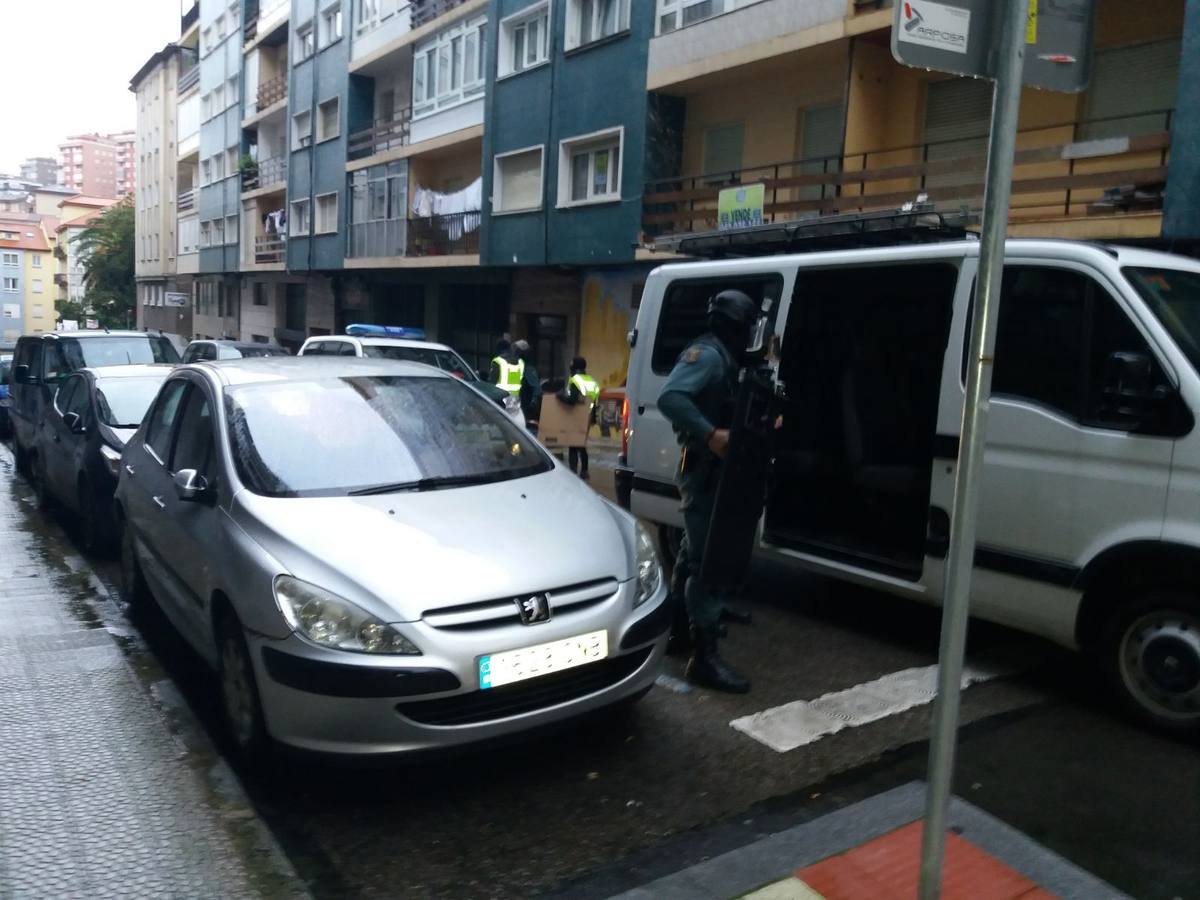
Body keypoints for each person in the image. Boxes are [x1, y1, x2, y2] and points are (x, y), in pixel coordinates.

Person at [657, 289, 760, 693]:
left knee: (690, 553)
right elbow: (671, 397)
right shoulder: (710, 356)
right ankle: (704, 657)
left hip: (711, 472)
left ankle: (678, 633)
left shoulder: (723, 355)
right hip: (704, 471)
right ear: (735, 326)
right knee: (707, 562)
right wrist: (711, 433)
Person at [557, 356, 600, 480]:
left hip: (576, 416)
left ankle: (573, 472)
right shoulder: (592, 381)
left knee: (573, 444)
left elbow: (572, 400)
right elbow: (595, 402)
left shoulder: (575, 380)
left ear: (574, 367)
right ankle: (585, 471)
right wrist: (593, 419)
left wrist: (560, 397)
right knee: (581, 444)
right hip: (588, 416)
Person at [512, 339, 542, 433]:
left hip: (525, 407)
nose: (515, 352)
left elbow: (536, 388)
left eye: (517, 350)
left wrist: (533, 402)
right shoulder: (517, 366)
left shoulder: (528, 368)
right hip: (516, 404)